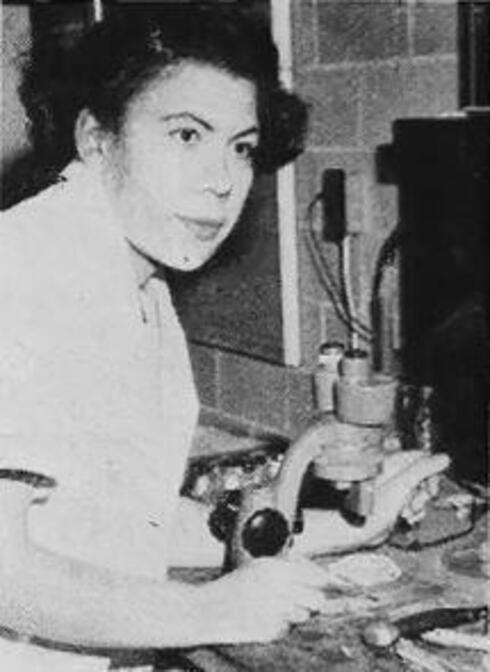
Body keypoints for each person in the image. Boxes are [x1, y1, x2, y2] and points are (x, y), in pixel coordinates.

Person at [0, 5, 449, 670]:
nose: (221, 182)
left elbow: (133, 527)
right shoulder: (29, 269)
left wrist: (352, 527)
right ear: (96, 137)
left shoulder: (136, 287)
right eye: (186, 135)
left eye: (240, 147)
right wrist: (216, 609)